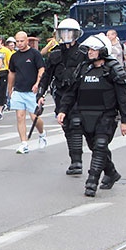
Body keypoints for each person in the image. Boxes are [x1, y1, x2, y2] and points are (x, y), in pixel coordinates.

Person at [57, 34, 126, 197]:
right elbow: (71, 92)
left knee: (100, 146)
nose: (89, 52)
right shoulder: (83, 68)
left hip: (107, 115)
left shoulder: (113, 68)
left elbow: (123, 97)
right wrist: (63, 110)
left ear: (102, 50)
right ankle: (111, 173)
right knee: (95, 147)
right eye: (88, 49)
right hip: (86, 115)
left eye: (93, 49)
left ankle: (91, 182)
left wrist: (125, 120)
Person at [38, 18, 87, 175]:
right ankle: (73, 160)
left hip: (78, 95)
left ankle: (77, 161)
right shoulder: (55, 54)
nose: (66, 36)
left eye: (69, 32)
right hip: (60, 94)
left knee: (76, 125)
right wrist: (41, 93)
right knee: (66, 127)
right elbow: (47, 75)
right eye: (63, 32)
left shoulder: (83, 53)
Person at [7, 31, 46, 154]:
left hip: (32, 91)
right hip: (19, 90)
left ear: (27, 41)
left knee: (34, 117)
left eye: (21, 41)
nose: (19, 43)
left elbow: (41, 69)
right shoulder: (14, 56)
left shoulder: (35, 54)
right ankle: (24, 143)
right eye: (17, 41)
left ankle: (42, 133)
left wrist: (37, 83)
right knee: (20, 117)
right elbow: (12, 73)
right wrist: (10, 89)